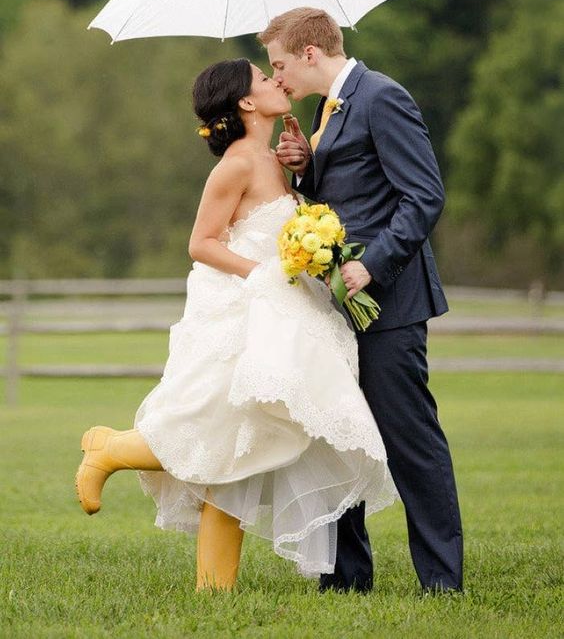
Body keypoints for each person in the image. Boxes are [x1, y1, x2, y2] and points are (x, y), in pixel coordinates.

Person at [75, 57, 397, 591]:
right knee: (212, 430)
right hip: (245, 311)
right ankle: (110, 449)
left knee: (241, 449)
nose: (276, 81)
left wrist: (306, 199)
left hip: (284, 307)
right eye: (264, 78)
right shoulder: (236, 164)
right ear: (246, 103)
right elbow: (201, 243)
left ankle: (214, 587)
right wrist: (268, 273)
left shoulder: (275, 159)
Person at [260, 8, 463, 594]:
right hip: (335, 307)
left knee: (409, 440)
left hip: (392, 300)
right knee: (340, 433)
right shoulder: (329, 111)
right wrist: (305, 169)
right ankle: (348, 579)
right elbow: (348, 190)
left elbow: (423, 196)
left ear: (310, 54)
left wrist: (371, 265)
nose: (278, 80)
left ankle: (442, 581)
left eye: (279, 64)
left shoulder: (382, 97)